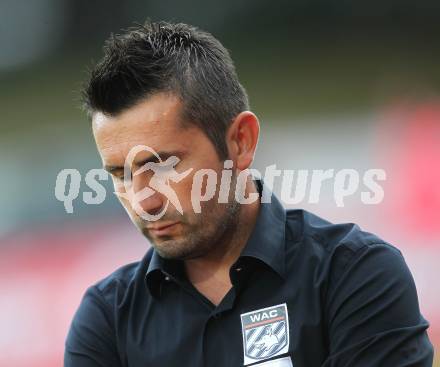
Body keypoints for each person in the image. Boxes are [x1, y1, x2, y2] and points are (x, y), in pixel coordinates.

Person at [64, 21, 434, 367]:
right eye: (121, 175)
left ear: (241, 141)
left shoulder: (355, 276)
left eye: (163, 167)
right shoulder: (106, 320)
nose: (145, 201)